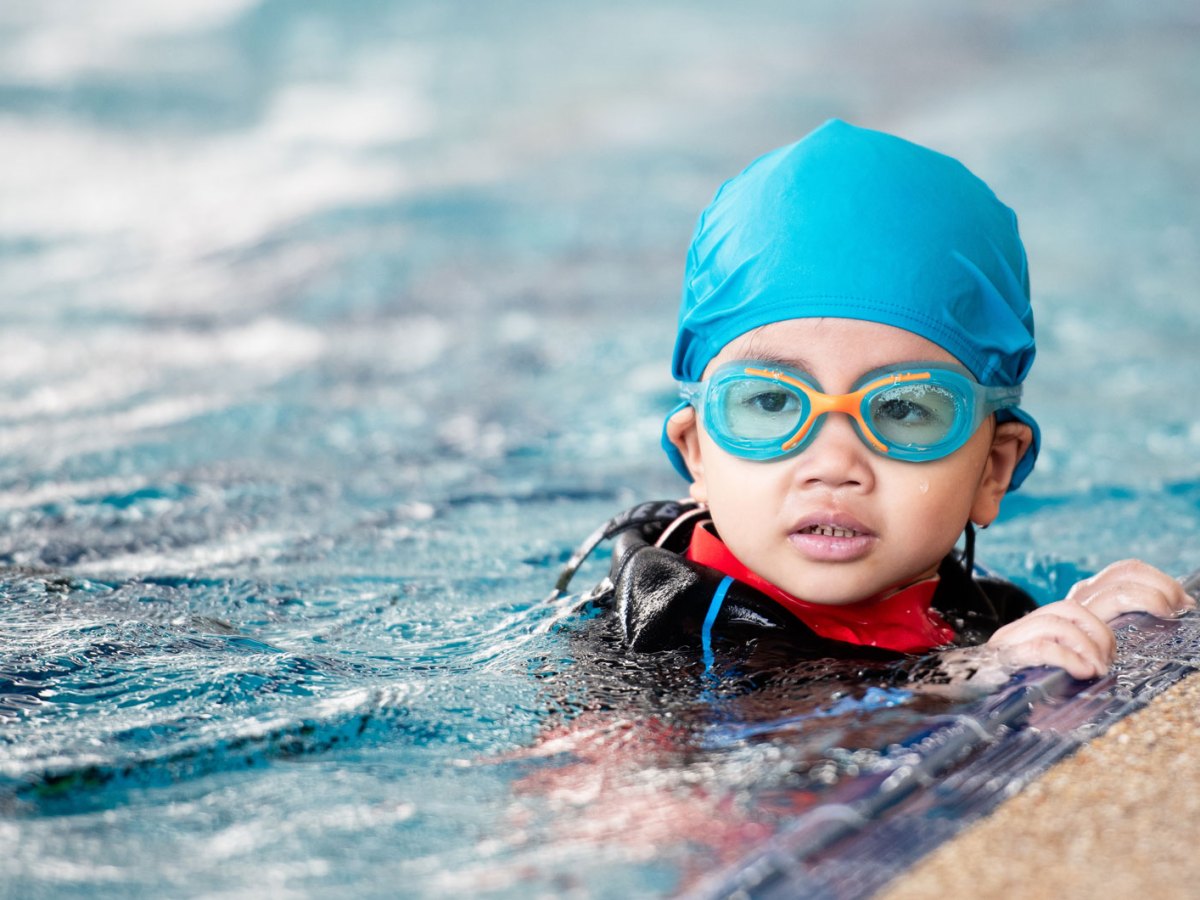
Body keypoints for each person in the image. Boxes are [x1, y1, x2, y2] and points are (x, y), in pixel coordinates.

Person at [561, 119, 1191, 681]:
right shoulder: (656, 625)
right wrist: (954, 680)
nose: (834, 463)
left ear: (992, 469)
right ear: (698, 455)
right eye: (772, 403)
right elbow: (626, 794)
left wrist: (1094, 629)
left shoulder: (981, 611)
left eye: (905, 410)